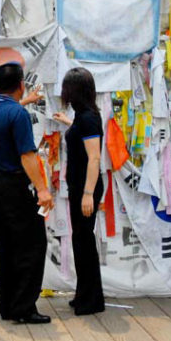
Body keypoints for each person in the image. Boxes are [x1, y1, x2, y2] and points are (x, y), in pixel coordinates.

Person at [0, 62, 54, 324]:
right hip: (16, 185)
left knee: (4, 244)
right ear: (21, 84)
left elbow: (9, 113)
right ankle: (24, 307)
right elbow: (27, 156)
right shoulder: (18, 115)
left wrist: (25, 101)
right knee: (31, 245)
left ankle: (7, 304)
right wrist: (42, 189)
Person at [52, 67, 106, 315]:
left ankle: (92, 299)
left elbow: (94, 158)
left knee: (84, 242)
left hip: (86, 187)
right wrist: (67, 123)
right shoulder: (85, 116)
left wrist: (87, 194)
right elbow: (84, 137)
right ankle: (84, 293)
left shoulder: (89, 118)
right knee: (80, 240)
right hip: (80, 185)